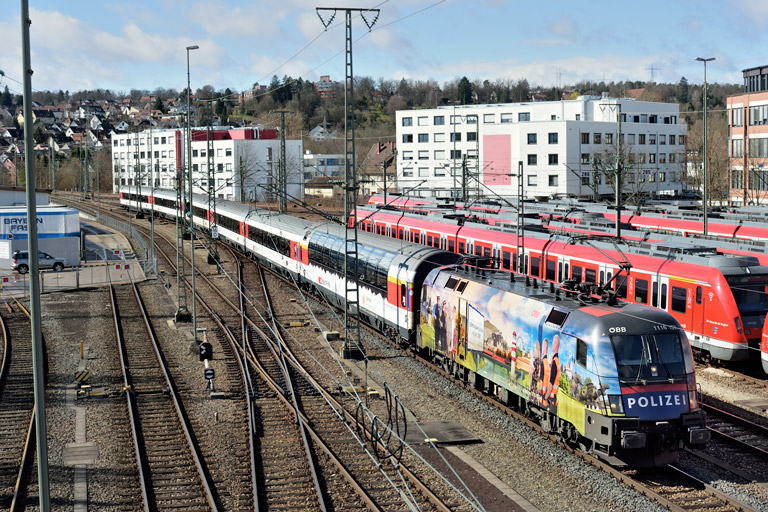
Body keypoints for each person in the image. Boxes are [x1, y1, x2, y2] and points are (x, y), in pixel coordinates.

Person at [545, 334, 561, 409]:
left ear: (555, 345)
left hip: (551, 398)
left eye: (553, 343)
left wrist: (546, 397)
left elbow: (551, 383)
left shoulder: (554, 362)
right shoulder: (558, 362)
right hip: (555, 398)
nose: (552, 344)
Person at [540, 337, 550, 406]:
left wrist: (539, 390)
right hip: (546, 394)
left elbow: (541, 377)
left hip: (542, 394)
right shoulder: (547, 363)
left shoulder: (543, 362)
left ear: (543, 349)